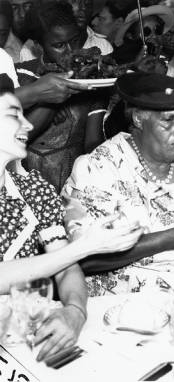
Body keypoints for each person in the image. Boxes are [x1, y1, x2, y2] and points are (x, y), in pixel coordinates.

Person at [0, 77, 142, 361]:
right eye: (14, 116)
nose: (28, 125)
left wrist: (75, 311)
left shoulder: (32, 188)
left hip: (19, 335)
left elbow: (66, 268)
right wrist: (84, 246)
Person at [62, 73, 174, 296]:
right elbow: (80, 259)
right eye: (169, 120)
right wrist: (167, 239)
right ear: (138, 118)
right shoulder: (98, 169)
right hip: (115, 305)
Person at [16, 1, 109, 191]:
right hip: (24, 182)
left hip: (72, 182)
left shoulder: (91, 81)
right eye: (59, 45)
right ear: (38, 46)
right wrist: (49, 102)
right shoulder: (21, 76)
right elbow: (16, 138)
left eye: (74, 41)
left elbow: (92, 143)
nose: (70, 52)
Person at [19, 0, 113, 62]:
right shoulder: (28, 54)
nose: (71, 51)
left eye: (75, 41)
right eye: (75, 1)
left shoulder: (103, 45)